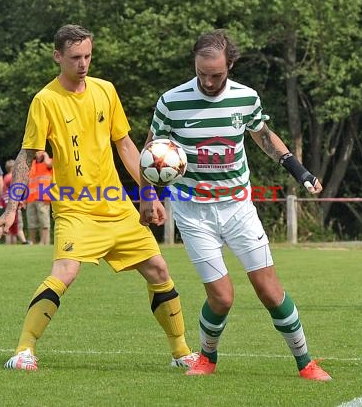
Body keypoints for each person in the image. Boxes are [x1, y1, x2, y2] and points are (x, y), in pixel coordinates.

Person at [0, 24, 197, 371]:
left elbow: (127, 146)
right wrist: (13, 207)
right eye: (75, 57)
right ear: (58, 56)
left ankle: (181, 354)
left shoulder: (106, 91)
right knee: (65, 272)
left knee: (159, 269)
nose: (83, 63)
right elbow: (27, 155)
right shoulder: (46, 100)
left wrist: (149, 193)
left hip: (117, 206)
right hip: (75, 209)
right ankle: (23, 351)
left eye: (87, 55)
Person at [139, 29, 331, 380]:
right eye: (202, 74)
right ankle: (207, 358)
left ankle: (305, 362)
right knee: (222, 297)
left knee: (270, 291)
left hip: (238, 208)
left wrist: (298, 169)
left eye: (217, 75)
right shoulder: (171, 101)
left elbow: (262, 136)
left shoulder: (246, 98)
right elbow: (151, 153)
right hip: (193, 211)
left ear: (230, 65)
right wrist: (148, 196)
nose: (209, 82)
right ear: (194, 65)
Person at [25, 151, 53, 245]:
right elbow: (27, 182)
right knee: (31, 221)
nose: (37, 154)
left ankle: (44, 242)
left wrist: (46, 155)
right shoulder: (32, 164)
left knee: (44, 222)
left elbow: (49, 164)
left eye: (40, 152)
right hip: (31, 197)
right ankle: (32, 241)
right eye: (36, 152)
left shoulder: (48, 162)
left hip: (43, 197)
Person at [0, 159, 28, 245]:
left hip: (6, 206)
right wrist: (22, 201)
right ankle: (20, 243)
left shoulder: (5, 177)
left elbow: (4, 193)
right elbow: (17, 190)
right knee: (16, 228)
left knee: (8, 229)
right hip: (14, 207)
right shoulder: (13, 177)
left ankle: (8, 246)